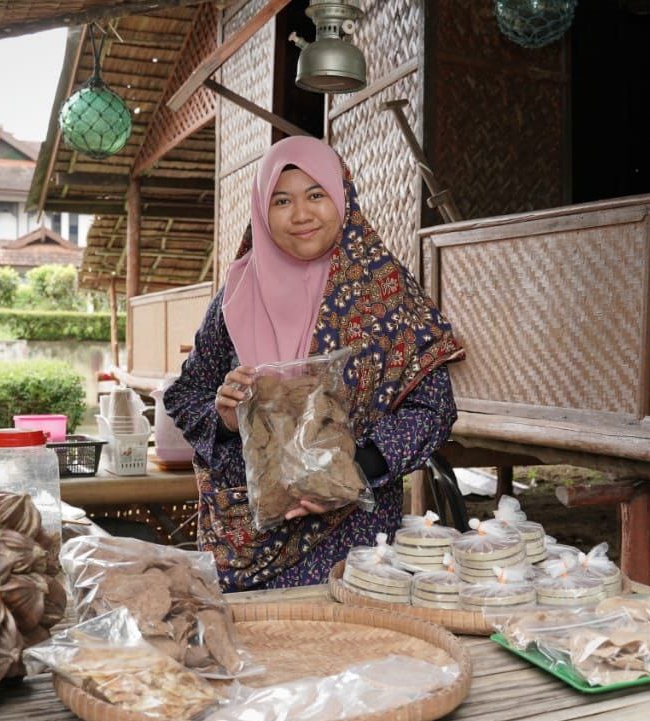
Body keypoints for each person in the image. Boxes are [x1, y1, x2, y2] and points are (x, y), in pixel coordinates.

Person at [164, 136, 464, 591]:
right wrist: (224, 418)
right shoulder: (235, 298)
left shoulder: (386, 294)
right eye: (281, 200)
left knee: (344, 653)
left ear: (342, 196)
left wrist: (350, 470)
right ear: (262, 210)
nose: (301, 215)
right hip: (245, 544)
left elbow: (433, 409)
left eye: (316, 194)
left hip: (351, 541)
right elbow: (188, 395)